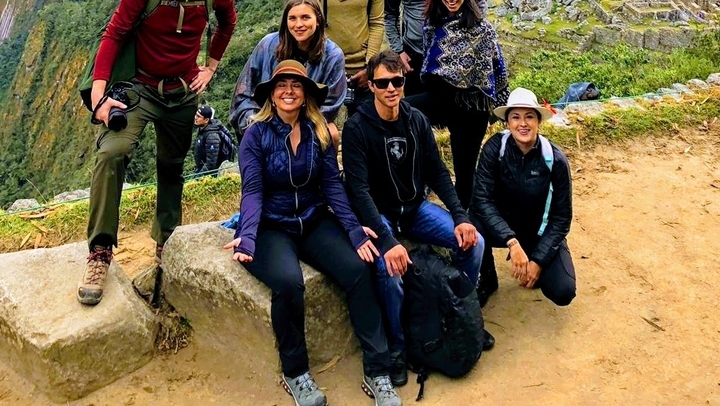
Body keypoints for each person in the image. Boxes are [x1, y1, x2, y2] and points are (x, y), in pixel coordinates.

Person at [78, 0, 237, 306]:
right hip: (140, 88)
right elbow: (114, 32)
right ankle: (100, 251)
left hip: (182, 93)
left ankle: (166, 240)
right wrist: (99, 96)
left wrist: (210, 68)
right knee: (112, 152)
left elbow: (227, 24)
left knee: (171, 165)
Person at [225, 60, 401, 406]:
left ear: (306, 95)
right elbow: (254, 190)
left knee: (359, 268)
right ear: (271, 96)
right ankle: (296, 373)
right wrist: (247, 235)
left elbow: (332, 186)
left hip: (313, 218)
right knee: (289, 283)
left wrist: (353, 230)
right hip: (272, 226)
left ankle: (378, 371)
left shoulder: (317, 133)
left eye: (296, 85)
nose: (289, 91)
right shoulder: (255, 135)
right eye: (281, 86)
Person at [342, 50, 491, 388]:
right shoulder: (356, 129)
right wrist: (388, 241)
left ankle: (459, 312)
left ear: (404, 83)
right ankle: (397, 346)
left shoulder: (416, 120)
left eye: (397, 81)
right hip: (380, 214)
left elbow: (438, 172)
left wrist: (460, 217)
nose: (391, 88)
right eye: (383, 83)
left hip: (414, 207)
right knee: (390, 273)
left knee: (475, 243)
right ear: (372, 86)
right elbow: (360, 191)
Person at [470, 88, 576, 308]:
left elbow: (561, 217)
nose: (523, 124)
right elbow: (482, 199)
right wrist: (511, 241)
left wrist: (539, 259)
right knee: (473, 223)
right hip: (503, 226)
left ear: (539, 121)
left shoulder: (555, 160)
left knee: (563, 290)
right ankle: (487, 277)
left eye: (529, 116)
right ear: (507, 122)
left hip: (537, 229)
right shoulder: (494, 149)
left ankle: (535, 262)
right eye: (515, 117)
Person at [421, 0, 509, 208]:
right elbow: (431, 65)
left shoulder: (483, 30)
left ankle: (464, 223)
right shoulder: (432, 26)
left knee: (465, 170)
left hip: (472, 108)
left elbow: (497, 69)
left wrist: (502, 107)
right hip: (441, 100)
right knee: (406, 114)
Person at [229, 0, 346, 141]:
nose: (298, 25)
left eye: (305, 17)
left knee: (332, 133)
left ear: (318, 20)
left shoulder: (333, 56)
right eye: (292, 18)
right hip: (264, 118)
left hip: (308, 122)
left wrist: (295, 126)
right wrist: (257, 123)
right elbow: (243, 94)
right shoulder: (267, 46)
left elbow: (330, 105)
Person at [193, 104, 237, 175]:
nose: (195, 118)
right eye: (195, 115)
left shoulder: (212, 136)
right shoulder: (202, 130)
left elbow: (211, 163)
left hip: (213, 175)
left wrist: (198, 177)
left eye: (198, 116)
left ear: (206, 120)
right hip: (202, 170)